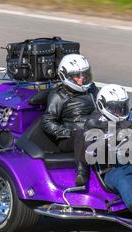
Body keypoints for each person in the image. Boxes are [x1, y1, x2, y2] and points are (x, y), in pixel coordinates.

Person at [83, 84, 132, 226]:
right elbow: (91, 152)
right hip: (111, 170)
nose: (120, 112)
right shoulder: (94, 123)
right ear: (103, 105)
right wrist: (113, 139)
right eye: (116, 108)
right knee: (123, 179)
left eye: (123, 106)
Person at [41, 54, 98, 186]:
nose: (82, 78)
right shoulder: (58, 95)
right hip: (69, 137)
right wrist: (68, 131)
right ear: (66, 76)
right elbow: (47, 121)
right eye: (77, 76)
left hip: (94, 129)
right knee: (83, 133)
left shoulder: (92, 89)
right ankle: (82, 174)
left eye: (84, 74)